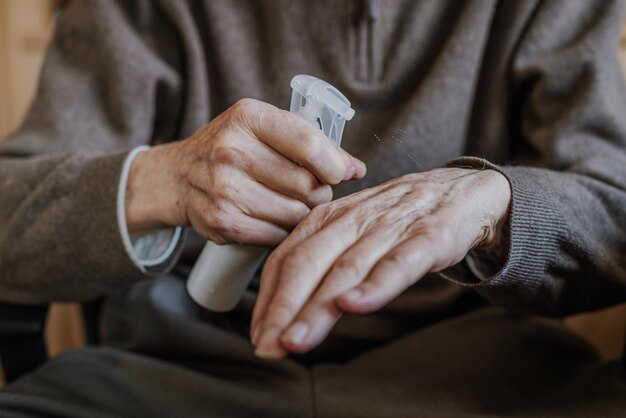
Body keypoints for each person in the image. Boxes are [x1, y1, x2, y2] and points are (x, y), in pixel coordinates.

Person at [1, 0, 625, 416]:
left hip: (485, 380)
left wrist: (493, 204)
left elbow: (614, 206)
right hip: (171, 375)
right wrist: (161, 179)